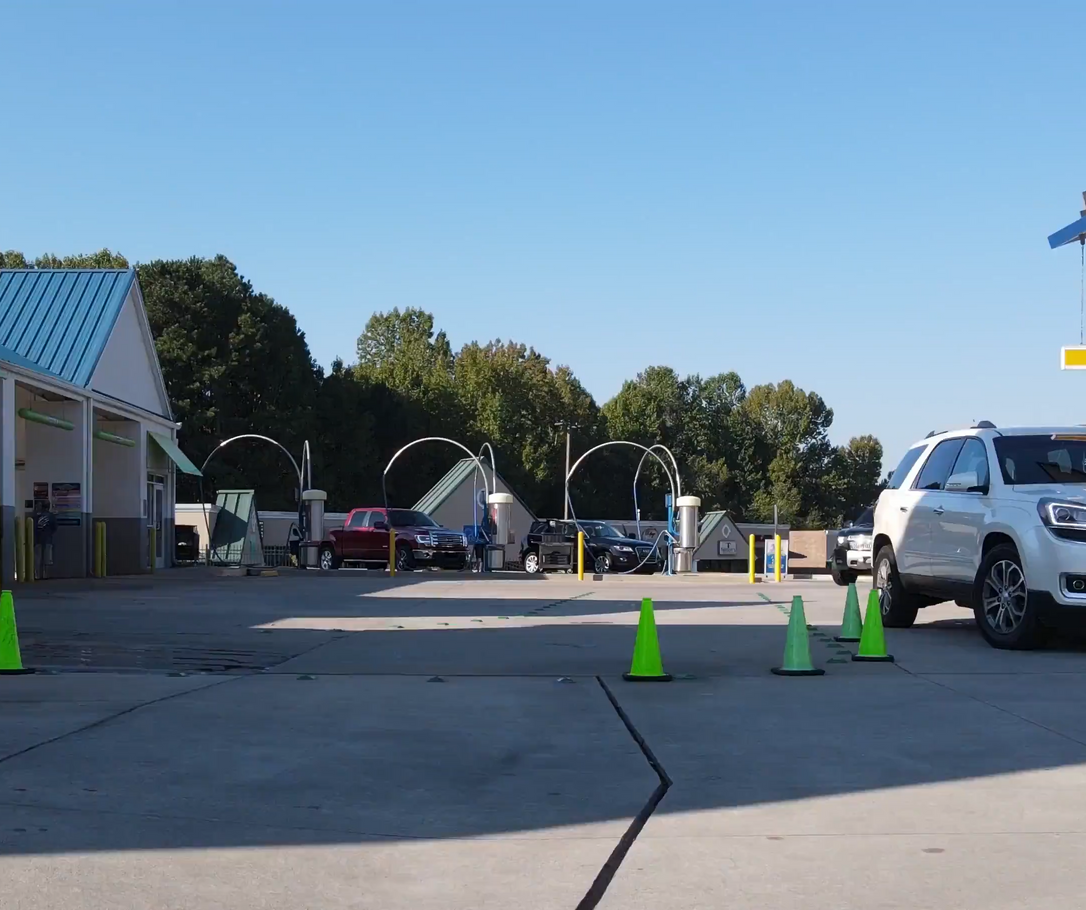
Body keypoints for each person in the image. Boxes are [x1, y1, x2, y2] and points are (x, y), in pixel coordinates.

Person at [33, 499, 57, 580]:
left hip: (37, 539)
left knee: (37, 557)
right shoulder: (51, 516)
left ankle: (36, 575)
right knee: (47, 558)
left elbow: (33, 527)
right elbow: (54, 528)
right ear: (49, 507)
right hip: (47, 539)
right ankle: (45, 575)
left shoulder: (36, 516)